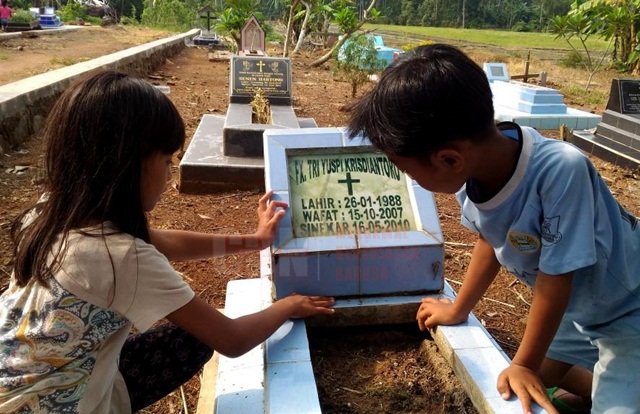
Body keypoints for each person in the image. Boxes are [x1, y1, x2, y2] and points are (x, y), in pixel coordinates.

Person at [0, 70, 335, 413]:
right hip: (56, 405)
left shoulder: (51, 212)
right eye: (167, 161)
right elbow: (232, 340)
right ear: (128, 165)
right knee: (203, 336)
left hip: (17, 378)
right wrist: (288, 306)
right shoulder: (119, 258)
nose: (169, 174)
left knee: (190, 341)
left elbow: (167, 242)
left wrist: (256, 240)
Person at [348, 43, 640, 414]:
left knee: (565, 388)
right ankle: (601, 384)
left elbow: (556, 277)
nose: (409, 179)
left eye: (407, 170)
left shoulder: (561, 169)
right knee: (527, 385)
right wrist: (459, 308)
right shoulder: (471, 174)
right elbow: (490, 237)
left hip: (628, 308)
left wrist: (525, 364)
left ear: (449, 158)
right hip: (578, 312)